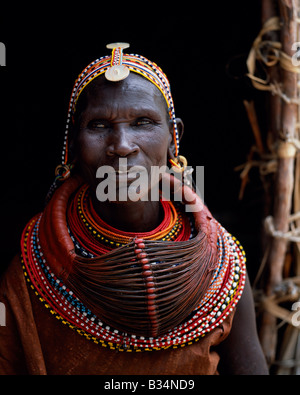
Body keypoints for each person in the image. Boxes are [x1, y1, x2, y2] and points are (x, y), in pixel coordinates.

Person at [0, 43, 268, 375]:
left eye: (142, 122)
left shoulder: (221, 265)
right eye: (99, 125)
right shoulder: (34, 268)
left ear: (174, 137)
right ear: (71, 145)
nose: (122, 146)